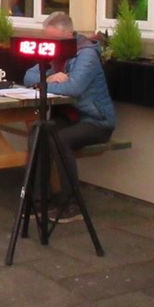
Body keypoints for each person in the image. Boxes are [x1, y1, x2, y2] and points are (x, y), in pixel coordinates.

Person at [21, 12, 115, 223]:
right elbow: (28, 77)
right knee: (39, 131)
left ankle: (71, 203)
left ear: (69, 34)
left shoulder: (87, 55)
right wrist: (50, 76)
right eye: (47, 38)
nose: (49, 44)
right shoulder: (54, 54)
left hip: (95, 120)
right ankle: (37, 201)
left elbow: (74, 87)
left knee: (61, 139)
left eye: (54, 39)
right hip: (69, 116)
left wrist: (45, 82)